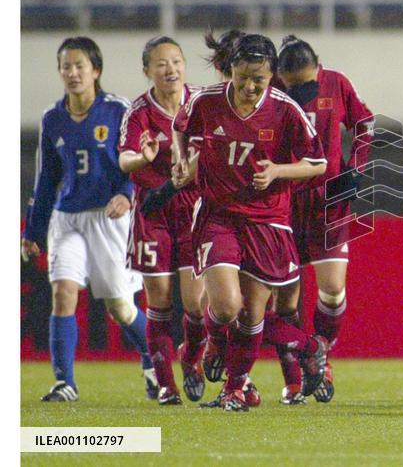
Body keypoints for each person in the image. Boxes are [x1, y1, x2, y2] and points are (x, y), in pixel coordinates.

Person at [171, 34, 330, 411]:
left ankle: (236, 387)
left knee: (252, 313)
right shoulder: (207, 101)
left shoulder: (284, 110)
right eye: (242, 76)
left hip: (266, 220)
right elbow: (181, 125)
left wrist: (278, 170)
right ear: (231, 70)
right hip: (218, 215)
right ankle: (216, 342)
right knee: (225, 307)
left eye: (258, 79)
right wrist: (181, 158)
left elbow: (318, 163)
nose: (248, 86)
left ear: (271, 76)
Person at [22, 37, 155, 402]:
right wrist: (33, 230)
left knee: (121, 307)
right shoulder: (53, 119)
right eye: (66, 66)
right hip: (68, 219)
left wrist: (125, 193)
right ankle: (65, 382)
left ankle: (153, 362)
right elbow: (47, 180)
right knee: (62, 292)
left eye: (80, 65)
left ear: (96, 70)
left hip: (109, 219)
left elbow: (138, 161)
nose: (73, 72)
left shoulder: (118, 111)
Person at [274, 35, 375, 404]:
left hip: (328, 200)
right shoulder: (270, 88)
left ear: (319, 65)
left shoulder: (337, 83)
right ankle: (294, 379)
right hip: (283, 200)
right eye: (293, 86)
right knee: (286, 298)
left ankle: (321, 355)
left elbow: (366, 123)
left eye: (306, 83)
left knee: (332, 290)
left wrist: (355, 169)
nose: (301, 91)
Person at [118, 36, 207, 405]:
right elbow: (124, 161)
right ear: (147, 71)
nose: (170, 69)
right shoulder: (139, 111)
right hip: (154, 212)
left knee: (196, 304)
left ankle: (191, 358)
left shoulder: (203, 102)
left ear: (185, 65)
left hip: (195, 209)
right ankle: (166, 384)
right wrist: (143, 157)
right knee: (159, 301)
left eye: (176, 61)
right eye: (160, 63)